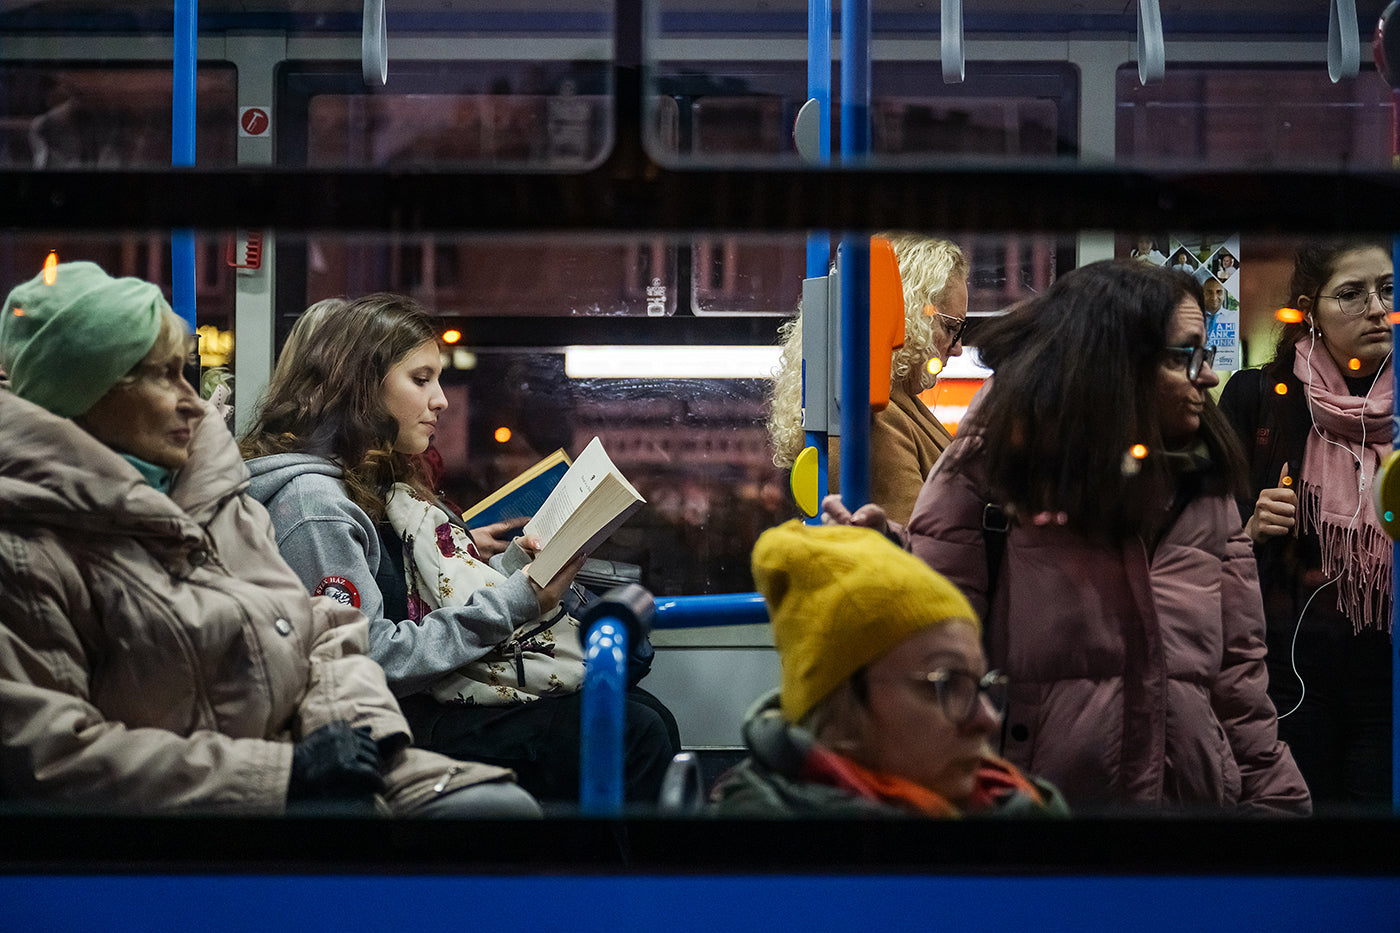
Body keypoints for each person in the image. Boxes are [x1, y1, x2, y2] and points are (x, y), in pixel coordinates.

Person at [0, 261, 538, 816]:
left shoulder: (214, 500)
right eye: (160, 376)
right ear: (83, 397)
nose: (192, 401)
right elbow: (53, 756)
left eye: (185, 372)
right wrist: (286, 774)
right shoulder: (25, 550)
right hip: (220, 791)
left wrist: (360, 734)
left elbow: (322, 633)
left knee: (503, 809)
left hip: (310, 743)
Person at [825, 259, 1311, 816]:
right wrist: (886, 558)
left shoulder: (1206, 483)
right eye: (1184, 357)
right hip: (1033, 825)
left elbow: (1238, 684)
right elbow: (940, 626)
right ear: (1114, 363)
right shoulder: (999, 464)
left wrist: (1278, 806)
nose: (1206, 376)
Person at [241, 294, 679, 806]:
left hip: (429, 696)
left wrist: (516, 568)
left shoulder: (378, 483)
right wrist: (520, 598)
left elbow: (427, 597)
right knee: (636, 732)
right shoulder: (314, 507)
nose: (442, 400)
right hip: (392, 721)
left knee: (647, 714)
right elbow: (371, 658)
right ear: (360, 388)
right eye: (421, 379)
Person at [710, 521, 1066, 818]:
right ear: (843, 705)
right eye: (947, 684)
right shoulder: (758, 867)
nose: (988, 720)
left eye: (980, 687)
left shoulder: (1020, 804)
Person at [1218, 238, 1393, 807]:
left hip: (1387, 678)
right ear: (1308, 310)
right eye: (1351, 293)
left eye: (1389, 290)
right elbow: (1193, 544)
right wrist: (1249, 527)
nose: (1376, 308)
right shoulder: (1259, 399)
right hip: (1286, 676)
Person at [769, 233, 970, 524]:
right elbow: (915, 553)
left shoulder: (889, 407)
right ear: (910, 316)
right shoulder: (877, 421)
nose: (958, 348)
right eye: (952, 328)